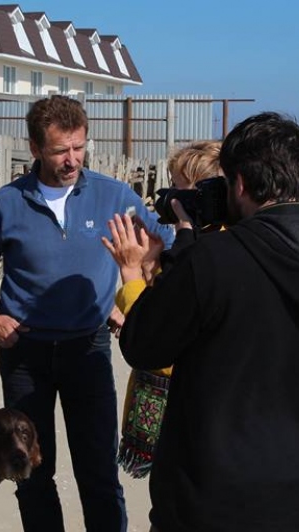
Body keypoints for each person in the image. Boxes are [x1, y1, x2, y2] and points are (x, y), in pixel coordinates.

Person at [109, 112, 299, 532]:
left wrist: (132, 273)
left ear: (241, 184)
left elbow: (143, 346)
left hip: (208, 493)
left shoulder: (213, 260)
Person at [0, 95, 174, 532]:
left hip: (88, 350)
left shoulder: (115, 195)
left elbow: (165, 246)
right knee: (32, 473)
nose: (72, 159)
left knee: (99, 472)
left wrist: (131, 299)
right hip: (23, 354)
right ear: (35, 148)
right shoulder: (5, 203)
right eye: (60, 150)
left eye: (78, 147)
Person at [109, 140, 222, 479]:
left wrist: (130, 271)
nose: (169, 199)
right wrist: (151, 267)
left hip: (185, 415)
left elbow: (155, 333)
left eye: (178, 188)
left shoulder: (206, 252)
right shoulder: (205, 243)